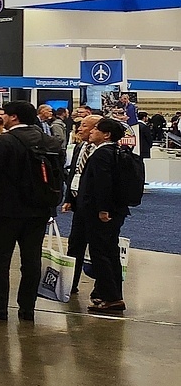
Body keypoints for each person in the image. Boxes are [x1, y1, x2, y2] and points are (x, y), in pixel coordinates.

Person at [0, 100, 55, 322]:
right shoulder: (48, 141)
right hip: (39, 210)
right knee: (32, 260)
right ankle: (27, 308)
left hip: (6, 210)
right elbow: (57, 177)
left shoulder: (4, 141)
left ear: (14, 117)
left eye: (5, 115)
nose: (2, 119)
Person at [69, 117, 135, 314]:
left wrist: (103, 209)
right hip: (114, 211)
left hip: (99, 213)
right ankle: (114, 294)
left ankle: (111, 297)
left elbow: (102, 184)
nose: (91, 131)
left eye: (96, 129)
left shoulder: (102, 154)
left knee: (101, 254)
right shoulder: (116, 151)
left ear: (106, 134)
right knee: (111, 253)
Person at [62, 112, 103, 303]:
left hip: (97, 208)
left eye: (84, 126)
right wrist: (69, 197)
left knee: (98, 249)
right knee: (75, 245)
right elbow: (74, 174)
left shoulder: (104, 151)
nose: (79, 128)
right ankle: (71, 283)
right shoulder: (80, 146)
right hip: (79, 205)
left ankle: (101, 289)